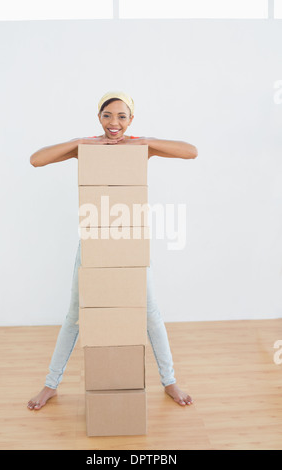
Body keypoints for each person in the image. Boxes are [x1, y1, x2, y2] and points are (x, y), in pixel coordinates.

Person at [27, 91, 198, 411]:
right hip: (93, 242)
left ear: (131, 119)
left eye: (122, 116)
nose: (114, 123)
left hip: (131, 242)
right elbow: (36, 159)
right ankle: (50, 385)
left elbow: (191, 152)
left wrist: (143, 141)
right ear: (98, 118)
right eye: (107, 115)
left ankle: (170, 381)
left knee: (150, 313)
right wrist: (82, 142)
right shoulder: (88, 147)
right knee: (75, 316)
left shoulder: (139, 147)